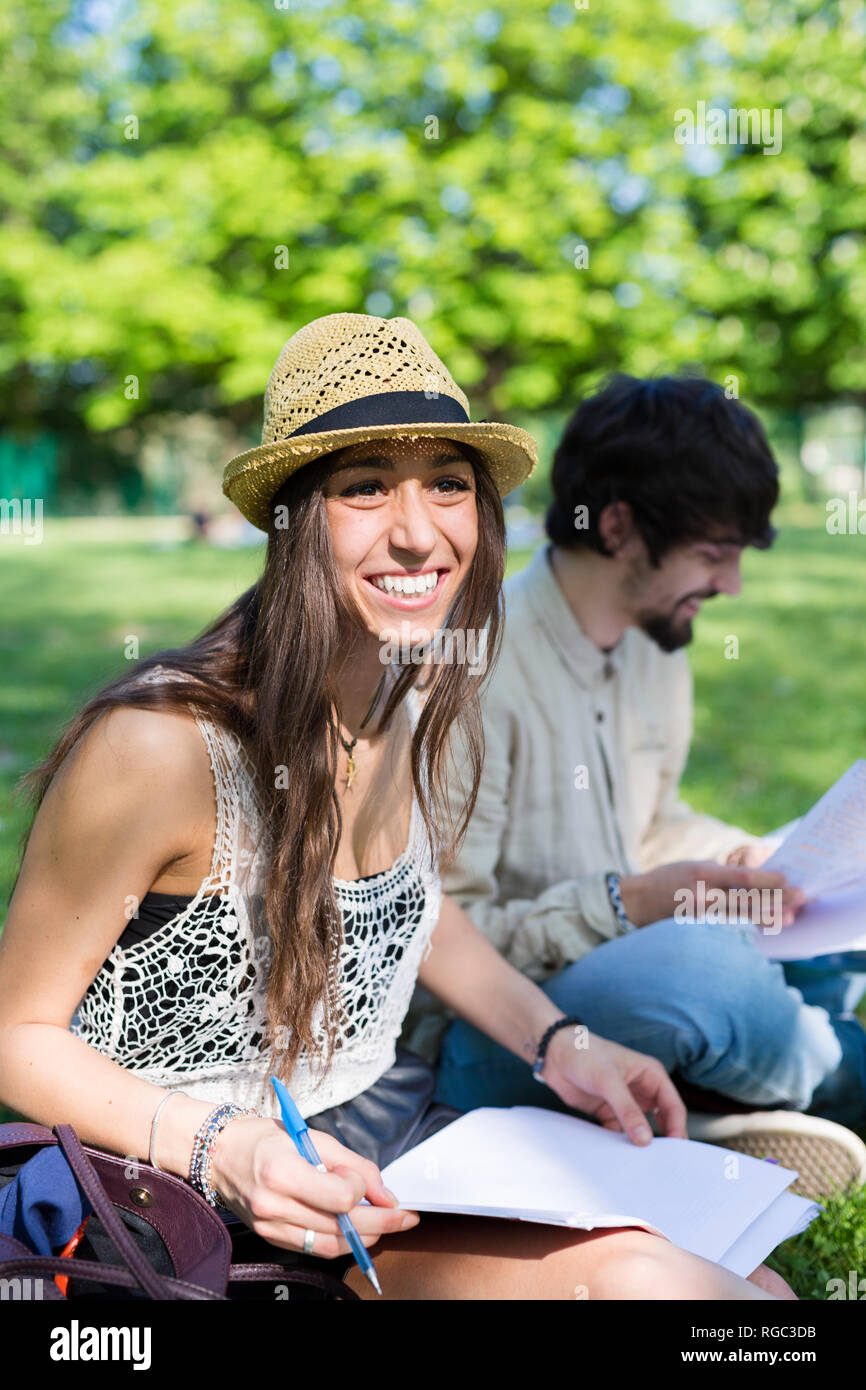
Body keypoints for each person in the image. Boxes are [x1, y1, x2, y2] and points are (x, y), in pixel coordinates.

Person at [0, 318, 792, 1299]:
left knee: (749, 1284)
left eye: (447, 484)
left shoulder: (413, 694)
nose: (417, 530)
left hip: (379, 1140)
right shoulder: (159, 747)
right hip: (180, 1192)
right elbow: (15, 1035)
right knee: (639, 1282)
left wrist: (557, 1041)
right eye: (365, 486)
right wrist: (226, 1148)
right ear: (291, 518)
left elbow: (411, 910)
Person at [424, 374, 866, 1192]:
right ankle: (836, 1081)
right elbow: (444, 935)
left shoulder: (653, 645)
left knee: (818, 924)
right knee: (701, 972)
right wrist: (640, 902)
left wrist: (738, 859)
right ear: (620, 527)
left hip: (621, 958)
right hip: (504, 1029)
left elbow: (650, 822)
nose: (730, 585)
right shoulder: (472, 671)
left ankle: (710, 1104)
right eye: (714, 553)